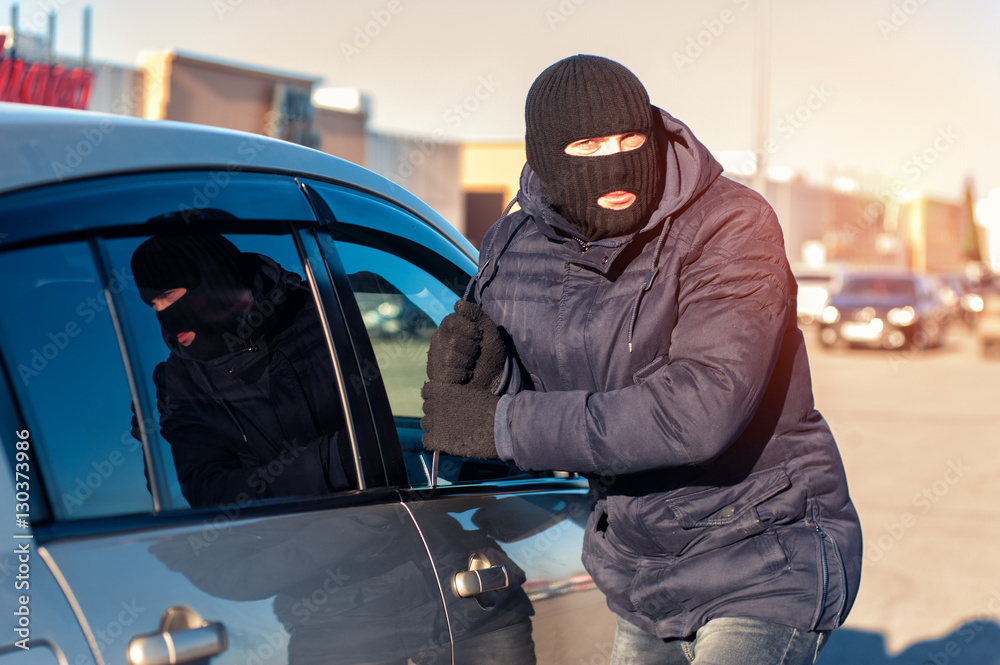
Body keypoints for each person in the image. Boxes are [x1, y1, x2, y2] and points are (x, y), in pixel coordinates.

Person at [421, 54, 862, 664]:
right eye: (589, 144)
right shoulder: (512, 245)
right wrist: (490, 375)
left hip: (763, 549)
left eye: (630, 137)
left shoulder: (731, 225)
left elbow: (700, 408)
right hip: (639, 565)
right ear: (549, 155)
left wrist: (497, 425)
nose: (617, 158)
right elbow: (560, 386)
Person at [131, 231, 355, 508]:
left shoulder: (324, 313)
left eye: (168, 296)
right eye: (153, 305)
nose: (163, 315)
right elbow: (206, 492)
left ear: (213, 279)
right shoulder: (180, 381)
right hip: (278, 541)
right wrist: (337, 461)